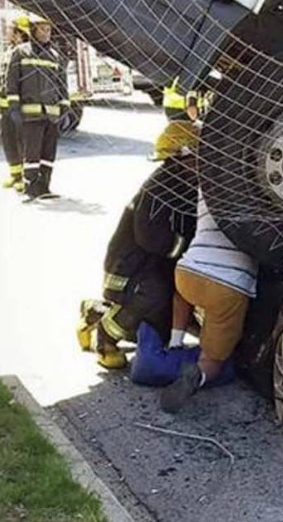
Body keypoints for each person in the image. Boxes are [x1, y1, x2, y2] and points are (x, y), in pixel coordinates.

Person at [77, 153, 197, 368]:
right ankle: (105, 340)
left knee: (157, 330)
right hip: (132, 266)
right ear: (180, 158)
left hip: (152, 262)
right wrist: (186, 247)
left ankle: (94, 311)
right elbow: (150, 236)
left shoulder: (182, 183)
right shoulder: (160, 188)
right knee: (152, 295)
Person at [160, 191, 258, 412]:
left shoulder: (210, 184)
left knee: (183, 295)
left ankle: (175, 343)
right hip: (229, 284)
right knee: (214, 358)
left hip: (189, 269)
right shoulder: (260, 199)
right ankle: (199, 375)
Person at [5, 14, 69, 202]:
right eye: (42, 29)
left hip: (52, 115)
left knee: (48, 154)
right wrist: (14, 108)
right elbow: (12, 83)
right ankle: (31, 187)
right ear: (33, 30)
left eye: (48, 29)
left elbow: (62, 85)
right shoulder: (21, 52)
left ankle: (45, 186)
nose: (46, 33)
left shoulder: (56, 56)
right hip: (30, 114)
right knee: (32, 153)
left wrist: (65, 108)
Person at [0, 16, 30, 192]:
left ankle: (25, 177)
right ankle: (15, 174)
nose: (7, 31)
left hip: (17, 106)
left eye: (10, 29)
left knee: (21, 141)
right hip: (5, 106)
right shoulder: (9, 50)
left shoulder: (24, 52)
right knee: (8, 141)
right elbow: (3, 78)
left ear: (19, 33)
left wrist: (16, 106)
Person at [150, 76, 200, 162]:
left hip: (177, 107)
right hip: (180, 108)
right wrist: (192, 101)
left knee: (188, 134)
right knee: (184, 132)